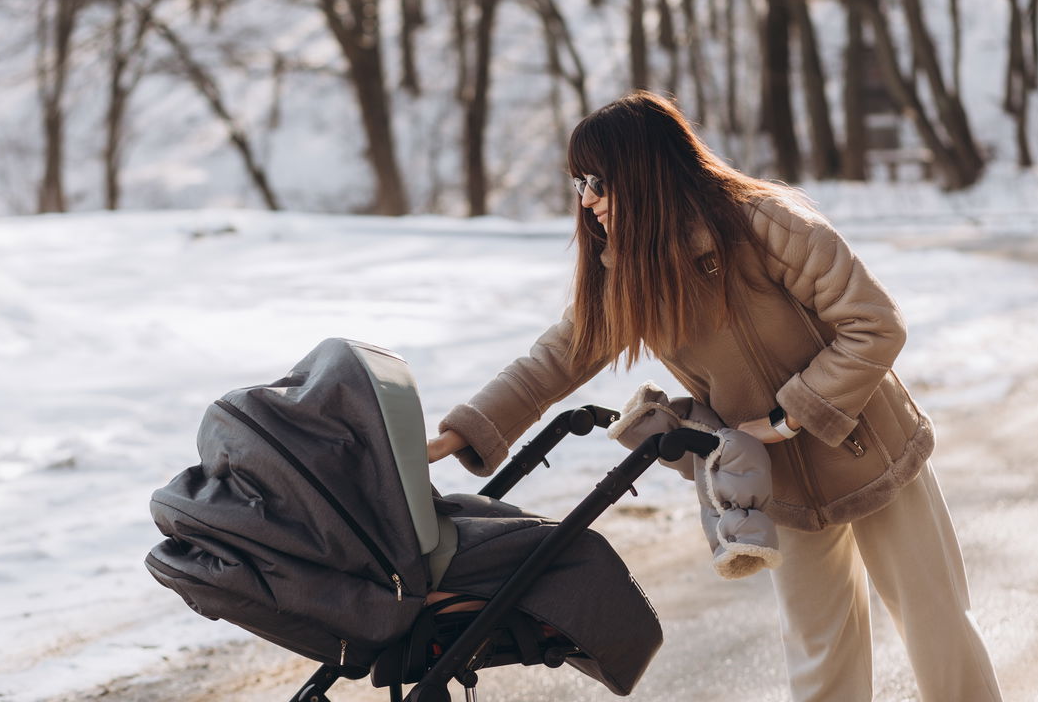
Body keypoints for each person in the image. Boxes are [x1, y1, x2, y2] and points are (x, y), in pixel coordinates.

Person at [427, 91, 1003, 702]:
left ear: (644, 171)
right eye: (578, 184)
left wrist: (787, 418)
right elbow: (552, 361)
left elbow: (875, 324)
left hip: (872, 451)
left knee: (937, 632)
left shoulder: (765, 222)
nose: (587, 200)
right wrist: (460, 433)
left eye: (598, 180)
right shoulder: (629, 275)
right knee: (820, 655)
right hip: (778, 484)